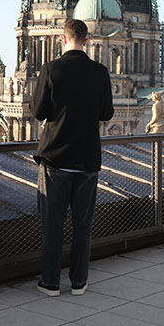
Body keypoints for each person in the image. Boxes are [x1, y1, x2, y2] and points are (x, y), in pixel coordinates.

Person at [32, 19, 114, 296]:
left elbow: (38, 111)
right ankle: (79, 281)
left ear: (63, 40)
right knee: (83, 225)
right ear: (86, 41)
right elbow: (107, 113)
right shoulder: (100, 72)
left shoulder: (50, 69)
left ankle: (51, 282)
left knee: (52, 225)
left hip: (55, 158)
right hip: (87, 159)